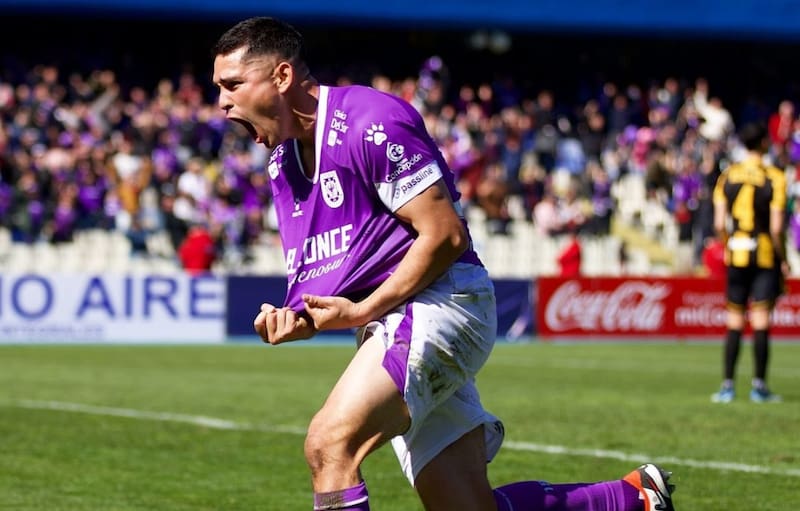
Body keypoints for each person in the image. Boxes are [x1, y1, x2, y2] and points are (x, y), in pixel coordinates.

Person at [212, 16, 677, 511]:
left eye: (233, 84)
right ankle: (631, 498)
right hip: (393, 317)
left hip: (441, 301)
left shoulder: (371, 121)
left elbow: (445, 234)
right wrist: (297, 319)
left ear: (281, 77)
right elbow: (329, 272)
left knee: (329, 445)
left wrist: (363, 310)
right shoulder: (283, 165)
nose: (221, 102)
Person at [710, 121, 789, 404]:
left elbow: (719, 222)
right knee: (760, 320)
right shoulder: (775, 176)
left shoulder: (727, 175)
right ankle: (759, 386)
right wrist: (784, 259)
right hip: (764, 252)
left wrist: (728, 243)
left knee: (733, 321)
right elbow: (777, 228)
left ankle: (727, 386)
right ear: (764, 143)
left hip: (737, 251)